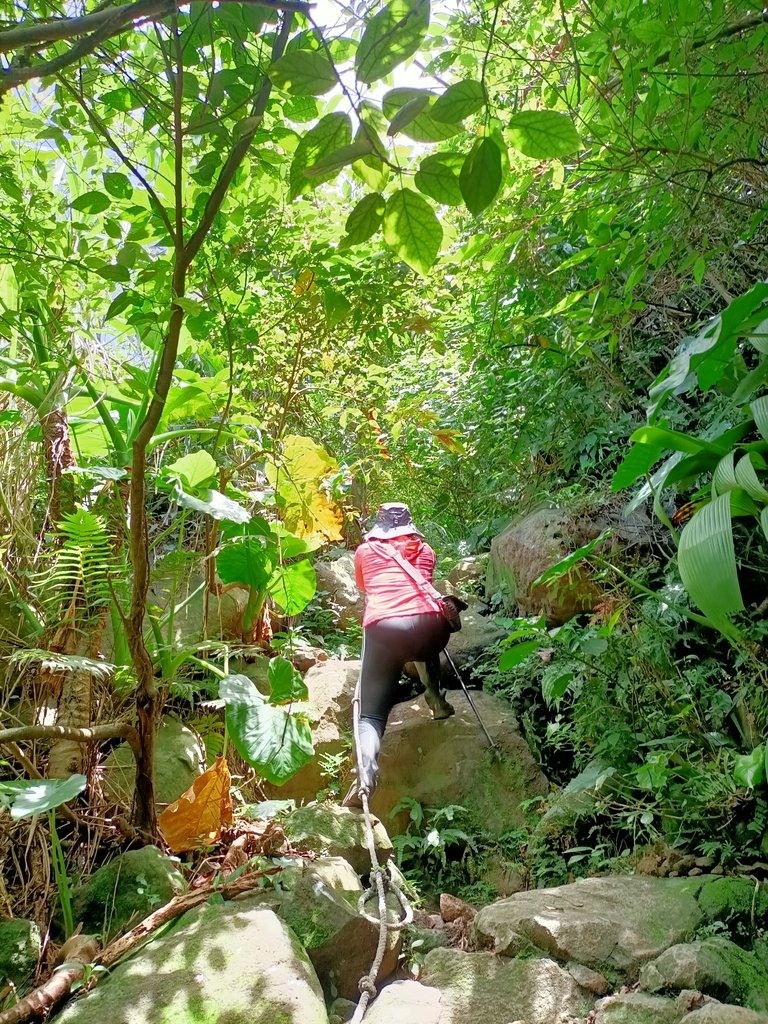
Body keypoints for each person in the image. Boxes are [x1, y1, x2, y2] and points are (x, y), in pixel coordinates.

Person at [343, 502, 454, 809]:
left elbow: (365, 587)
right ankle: (434, 696)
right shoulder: (426, 550)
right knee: (420, 633)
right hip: (431, 628)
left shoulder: (365, 552)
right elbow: (421, 591)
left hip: (385, 627)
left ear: (380, 526)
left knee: (371, 714)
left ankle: (366, 773)